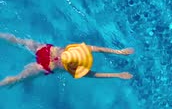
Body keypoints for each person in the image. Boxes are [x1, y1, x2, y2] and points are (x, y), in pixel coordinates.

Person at [0, 32, 134, 87]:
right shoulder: (74, 68)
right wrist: (118, 74)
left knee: (20, 41)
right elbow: (95, 74)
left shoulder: (74, 50)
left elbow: (98, 49)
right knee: (18, 78)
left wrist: (121, 52)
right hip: (45, 67)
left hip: (46, 50)